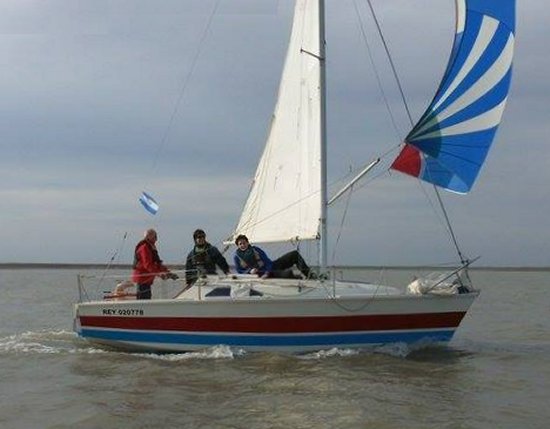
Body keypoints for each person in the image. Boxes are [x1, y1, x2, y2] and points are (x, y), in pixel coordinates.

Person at [233, 234, 315, 279]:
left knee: (294, 254)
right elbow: (239, 271)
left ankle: (310, 276)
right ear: (238, 245)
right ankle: (298, 279)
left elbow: (267, 262)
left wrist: (267, 272)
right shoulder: (237, 257)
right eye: (240, 244)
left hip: (270, 269)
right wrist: (249, 272)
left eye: (244, 243)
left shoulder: (255, 250)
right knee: (288, 274)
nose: (243, 245)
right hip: (259, 275)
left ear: (247, 243)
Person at [132, 229, 178, 300]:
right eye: (155, 237)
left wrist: (168, 273)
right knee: (144, 300)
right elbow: (147, 265)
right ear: (149, 237)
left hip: (147, 280)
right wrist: (159, 274)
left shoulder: (151, 247)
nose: (156, 239)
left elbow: (157, 263)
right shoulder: (144, 247)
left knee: (147, 298)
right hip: (142, 279)